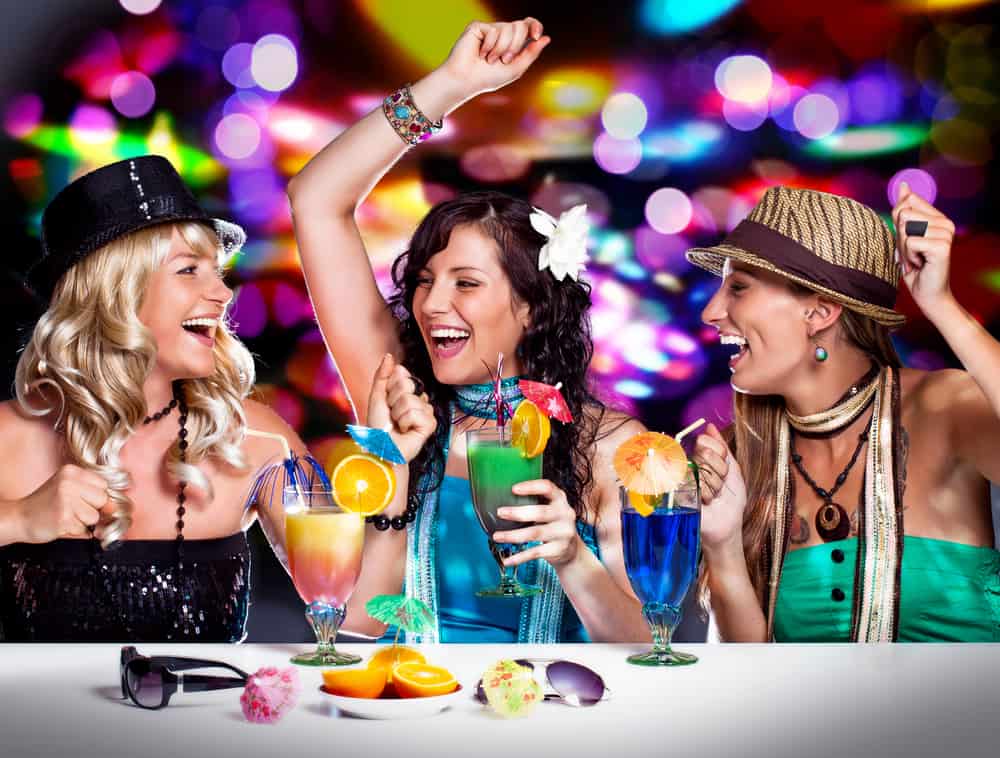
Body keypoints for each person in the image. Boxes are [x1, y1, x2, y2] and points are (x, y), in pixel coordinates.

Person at [288, 18, 650, 643]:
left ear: (533, 308)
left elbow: (645, 648)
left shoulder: (611, 444)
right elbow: (315, 197)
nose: (431, 304)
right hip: (410, 716)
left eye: (466, 282)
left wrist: (572, 558)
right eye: (425, 280)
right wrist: (451, 85)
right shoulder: (400, 394)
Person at [0, 155, 342, 642]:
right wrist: (19, 518)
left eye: (219, 273)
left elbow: (360, 609)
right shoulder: (9, 435)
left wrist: (397, 458)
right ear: (115, 291)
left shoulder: (258, 439)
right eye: (189, 270)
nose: (223, 294)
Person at [688, 183, 1000, 642]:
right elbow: (748, 675)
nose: (712, 312)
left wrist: (940, 304)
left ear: (820, 312)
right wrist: (723, 546)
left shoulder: (944, 407)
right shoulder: (741, 455)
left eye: (738, 288)